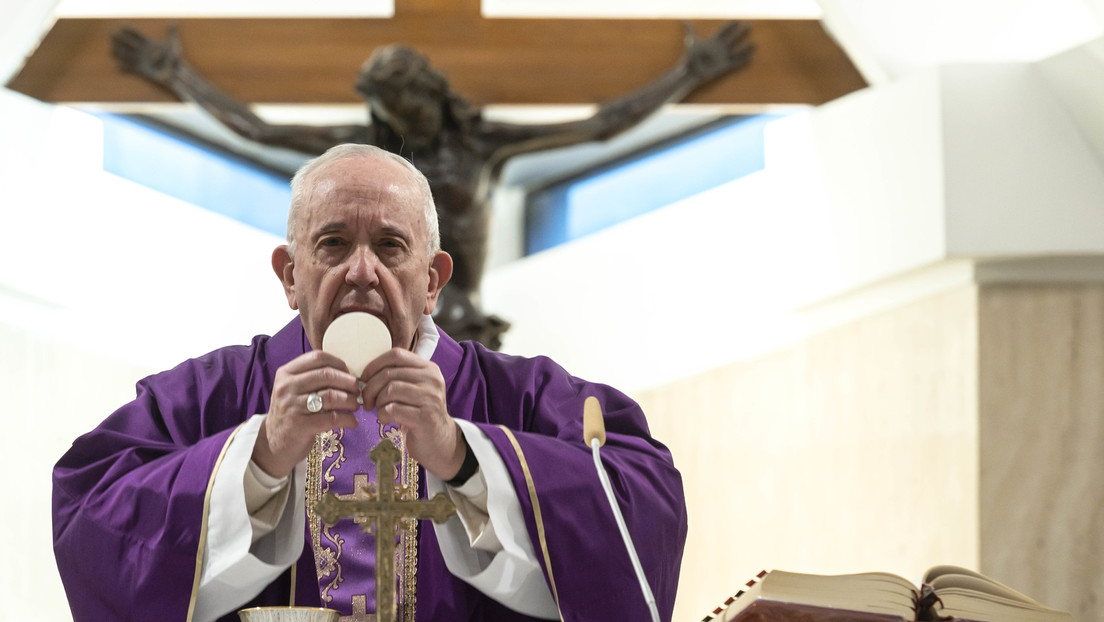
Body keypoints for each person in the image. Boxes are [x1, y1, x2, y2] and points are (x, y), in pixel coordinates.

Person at [52, 143, 688, 622]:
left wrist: (463, 458)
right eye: (333, 243)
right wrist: (261, 459)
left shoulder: (523, 399)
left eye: (390, 246)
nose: (362, 272)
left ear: (434, 280)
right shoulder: (203, 397)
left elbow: (644, 505)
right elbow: (89, 517)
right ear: (290, 275)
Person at [110, 23, 755, 348]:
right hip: (372, 323)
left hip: (465, 322)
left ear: (430, 92)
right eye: (387, 112)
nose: (400, 122)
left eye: (408, 104)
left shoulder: (482, 145)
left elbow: (602, 127)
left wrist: (687, 76)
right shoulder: (369, 159)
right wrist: (177, 77)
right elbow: (256, 130)